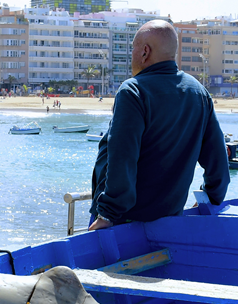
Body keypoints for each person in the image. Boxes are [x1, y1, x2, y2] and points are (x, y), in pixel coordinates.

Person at [89, 20, 229, 231]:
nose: (132, 56)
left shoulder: (133, 91)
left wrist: (108, 213)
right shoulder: (198, 92)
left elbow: (123, 156)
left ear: (144, 52)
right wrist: (211, 197)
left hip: (123, 222)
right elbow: (218, 160)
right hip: (168, 220)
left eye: (133, 49)